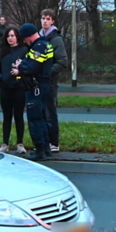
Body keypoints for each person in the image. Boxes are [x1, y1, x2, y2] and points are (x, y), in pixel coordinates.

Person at [11, 23, 54, 161]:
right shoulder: (44, 44)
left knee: (34, 118)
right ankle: (46, 149)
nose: (24, 40)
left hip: (36, 87)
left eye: (24, 38)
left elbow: (32, 67)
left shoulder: (39, 47)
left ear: (29, 35)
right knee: (41, 118)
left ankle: (40, 150)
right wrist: (24, 64)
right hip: (42, 86)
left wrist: (20, 66)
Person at [0, 26, 27, 154]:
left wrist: (20, 74)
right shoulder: (2, 52)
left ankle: (20, 143)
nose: (10, 38)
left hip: (19, 88)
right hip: (5, 88)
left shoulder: (24, 50)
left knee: (19, 116)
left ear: (17, 37)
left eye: (12, 36)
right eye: (8, 36)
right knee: (6, 117)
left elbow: (29, 67)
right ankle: (5, 143)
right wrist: (0, 77)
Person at [39, 9, 68, 153]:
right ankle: (44, 141)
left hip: (50, 82)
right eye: (43, 18)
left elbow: (62, 61)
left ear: (52, 21)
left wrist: (48, 72)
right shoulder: (39, 37)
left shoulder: (56, 39)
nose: (44, 21)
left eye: (48, 19)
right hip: (38, 82)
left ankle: (54, 142)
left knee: (50, 112)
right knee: (41, 112)